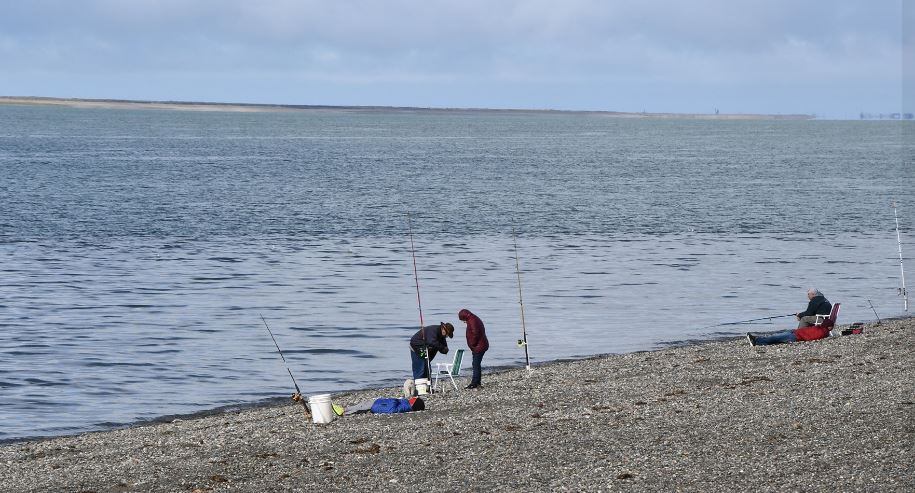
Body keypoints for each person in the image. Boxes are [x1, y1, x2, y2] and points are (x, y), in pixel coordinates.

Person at [747, 288, 833, 346]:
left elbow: (809, 313)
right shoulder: (821, 330)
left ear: (813, 294)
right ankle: (759, 339)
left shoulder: (821, 332)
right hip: (795, 333)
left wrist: (799, 315)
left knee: (776, 338)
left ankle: (757, 341)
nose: (808, 296)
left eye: (808, 295)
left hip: (796, 336)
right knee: (777, 336)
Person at [458, 308, 489, 389]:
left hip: (479, 346)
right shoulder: (473, 318)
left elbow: (476, 333)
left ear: (464, 317)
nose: (463, 322)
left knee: (475, 364)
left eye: (462, 320)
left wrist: (472, 344)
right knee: (476, 364)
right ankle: (477, 382)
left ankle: (475, 383)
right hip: (480, 345)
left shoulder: (472, 320)